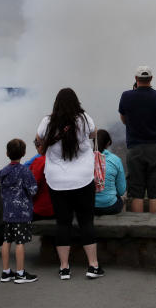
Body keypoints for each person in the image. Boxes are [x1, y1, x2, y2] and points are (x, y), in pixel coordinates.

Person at [36, 87, 104, 280]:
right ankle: (93, 265)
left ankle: (64, 267)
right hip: (83, 179)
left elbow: (39, 139)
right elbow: (94, 133)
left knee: (63, 223)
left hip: (57, 181)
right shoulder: (83, 119)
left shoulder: (47, 122)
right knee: (85, 221)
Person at [118, 66, 156, 213]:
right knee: (155, 194)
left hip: (135, 149)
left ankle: (136, 228)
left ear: (136, 79)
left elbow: (123, 119)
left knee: (136, 193)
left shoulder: (126, 96)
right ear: (151, 79)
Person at [0, 138, 38, 283]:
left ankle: (6, 271)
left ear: (7, 153)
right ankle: (20, 274)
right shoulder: (25, 172)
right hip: (22, 213)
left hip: (8, 212)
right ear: (24, 153)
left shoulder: (3, 172)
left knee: (6, 240)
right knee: (20, 242)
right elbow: (33, 190)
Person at [94, 129, 127, 215]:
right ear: (108, 143)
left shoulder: (85, 159)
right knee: (123, 198)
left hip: (88, 207)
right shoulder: (115, 160)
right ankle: (122, 225)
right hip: (109, 206)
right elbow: (121, 191)